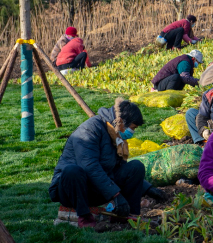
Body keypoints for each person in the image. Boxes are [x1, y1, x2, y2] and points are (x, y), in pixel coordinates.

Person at [49, 98, 147, 228]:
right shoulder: (89, 130)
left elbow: (119, 168)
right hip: (73, 190)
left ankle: (128, 216)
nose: (132, 132)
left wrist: (149, 189)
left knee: (136, 167)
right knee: (72, 171)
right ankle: (84, 217)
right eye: (132, 128)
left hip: (96, 188)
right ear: (122, 122)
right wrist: (116, 194)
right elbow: (89, 166)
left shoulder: (116, 134)